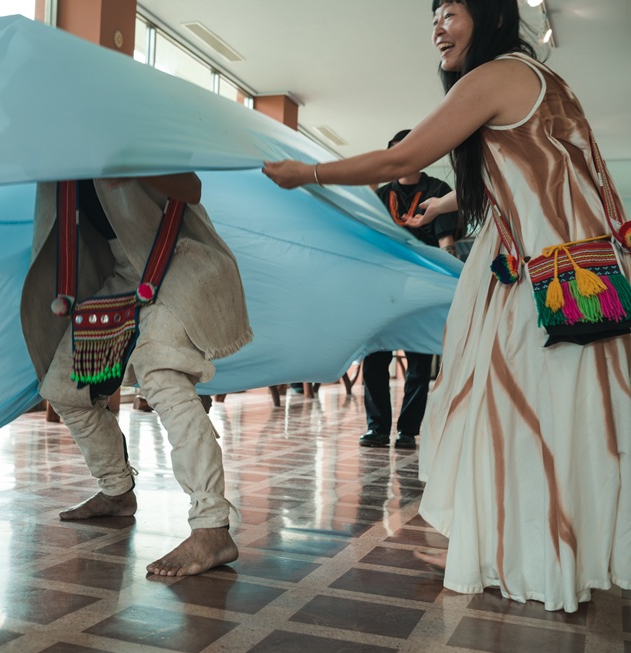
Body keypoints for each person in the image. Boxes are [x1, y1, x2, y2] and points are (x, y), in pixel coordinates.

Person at [263, 0, 630, 612]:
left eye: (452, 11)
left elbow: (402, 159)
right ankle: (534, 549)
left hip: (543, 277)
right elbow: (532, 168)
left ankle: (529, 554)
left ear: (488, 17)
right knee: (561, 417)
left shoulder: (496, 76)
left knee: (523, 414)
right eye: (434, 14)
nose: (438, 25)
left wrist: (310, 172)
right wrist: (440, 207)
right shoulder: (540, 81)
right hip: (577, 271)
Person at [20, 173, 252, 577]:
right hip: (126, 275)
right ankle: (116, 491)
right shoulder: (53, 150)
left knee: (164, 381)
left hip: (183, 262)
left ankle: (212, 529)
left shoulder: (127, 126)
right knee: (65, 390)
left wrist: (133, 166)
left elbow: (191, 187)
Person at [360, 129, 460, 450]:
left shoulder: (438, 190)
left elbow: (447, 243)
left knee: (419, 358)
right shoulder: (379, 196)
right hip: (382, 286)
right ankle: (377, 428)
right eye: (395, 152)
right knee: (376, 355)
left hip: (423, 283)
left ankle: (407, 430)